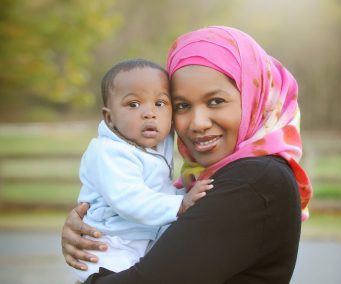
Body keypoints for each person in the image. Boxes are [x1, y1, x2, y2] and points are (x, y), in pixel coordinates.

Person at [62, 26, 313, 284]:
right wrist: (98, 226)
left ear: (254, 99)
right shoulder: (209, 179)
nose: (197, 123)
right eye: (182, 106)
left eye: (215, 101)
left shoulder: (255, 179)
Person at [72, 58, 213, 282]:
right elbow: (130, 199)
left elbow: (159, 190)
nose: (149, 113)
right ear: (109, 118)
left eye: (160, 103)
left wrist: (182, 195)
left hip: (142, 238)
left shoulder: (154, 143)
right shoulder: (108, 152)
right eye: (133, 104)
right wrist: (181, 203)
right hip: (110, 246)